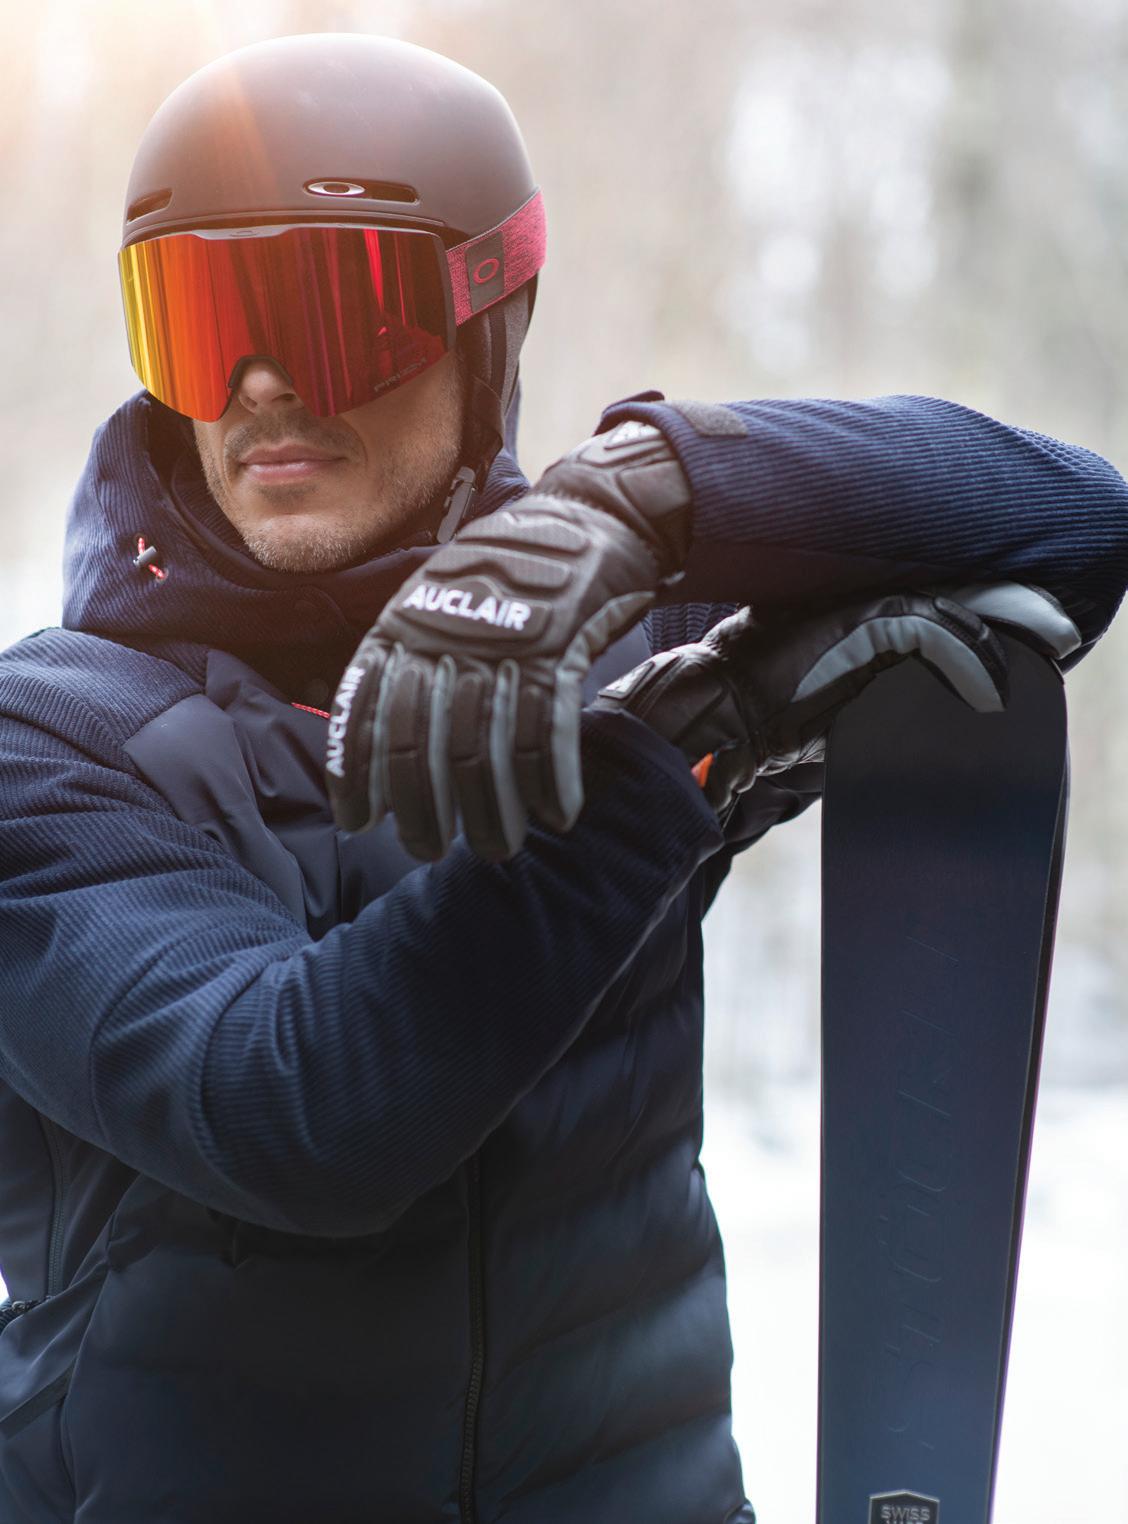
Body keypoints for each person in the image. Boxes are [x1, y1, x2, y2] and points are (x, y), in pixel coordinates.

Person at [0, 31, 1123, 1524]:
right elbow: (296, 1106)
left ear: (487, 331)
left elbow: (1078, 522)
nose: (262, 382)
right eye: (205, 321)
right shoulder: (49, 735)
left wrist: (652, 491)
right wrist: (677, 755)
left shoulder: (612, 641)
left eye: (329, 313)